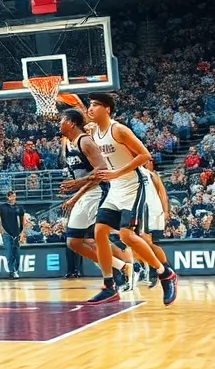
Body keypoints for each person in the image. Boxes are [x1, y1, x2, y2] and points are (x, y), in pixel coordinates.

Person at [84, 93, 177, 306]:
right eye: (89, 105)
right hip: (115, 188)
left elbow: (145, 156)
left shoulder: (119, 130)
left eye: (95, 105)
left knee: (127, 237)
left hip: (135, 185)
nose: (90, 109)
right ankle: (109, 286)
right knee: (99, 232)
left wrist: (117, 173)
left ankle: (165, 273)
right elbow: (85, 121)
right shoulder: (95, 131)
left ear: (107, 109)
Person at [56, 108, 131, 289]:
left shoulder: (85, 141)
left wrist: (77, 186)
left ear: (71, 123)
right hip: (87, 192)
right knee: (80, 241)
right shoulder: (71, 143)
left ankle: (122, 271)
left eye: (62, 120)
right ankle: (122, 269)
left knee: (80, 241)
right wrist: (77, 193)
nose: (58, 124)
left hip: (97, 192)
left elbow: (102, 168)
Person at [0, 190, 26, 280]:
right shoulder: (2, 207)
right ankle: (12, 271)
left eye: (13, 196)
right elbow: (0, 219)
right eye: (10, 196)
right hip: (6, 233)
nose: (12, 198)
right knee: (9, 254)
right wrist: (1, 229)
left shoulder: (19, 208)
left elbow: (23, 221)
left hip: (17, 233)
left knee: (17, 254)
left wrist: (22, 233)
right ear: (7, 197)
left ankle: (15, 270)